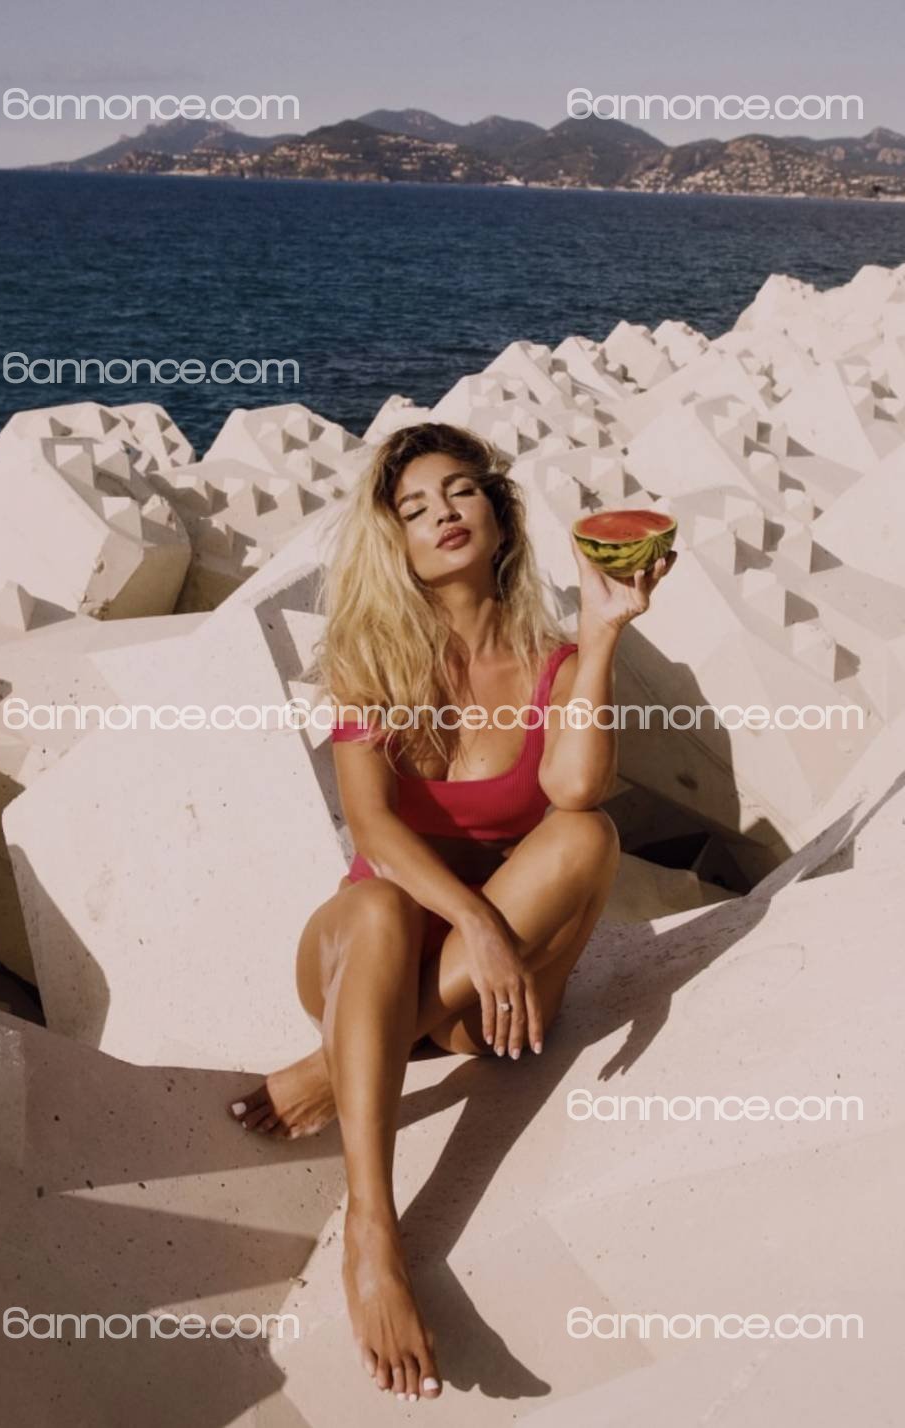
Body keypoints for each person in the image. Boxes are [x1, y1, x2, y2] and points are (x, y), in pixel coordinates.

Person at [228, 422, 677, 1403]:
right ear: (393, 540)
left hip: (484, 1002)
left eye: (461, 492)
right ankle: (373, 1235)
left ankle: (335, 1069)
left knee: (587, 836)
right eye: (415, 507)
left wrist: (603, 632)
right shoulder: (372, 659)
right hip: (366, 957)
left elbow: (575, 788)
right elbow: (373, 829)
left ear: (500, 514)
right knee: (382, 908)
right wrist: (472, 918)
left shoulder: (555, 663)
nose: (442, 515)